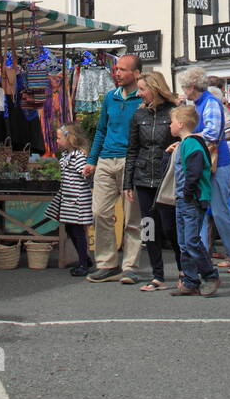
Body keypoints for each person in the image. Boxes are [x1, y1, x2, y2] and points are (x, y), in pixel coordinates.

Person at [179, 66, 230, 271]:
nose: (183, 91)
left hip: (218, 164)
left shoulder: (209, 103)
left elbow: (211, 133)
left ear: (192, 86)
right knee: (207, 210)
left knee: (219, 210)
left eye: (184, 87)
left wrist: (189, 139)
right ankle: (206, 255)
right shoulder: (200, 103)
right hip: (209, 163)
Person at [84, 54, 144, 283]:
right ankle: (107, 263)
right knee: (100, 212)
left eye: (122, 70)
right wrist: (92, 159)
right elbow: (101, 130)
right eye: (116, 69)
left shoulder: (143, 98)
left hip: (132, 161)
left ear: (136, 73)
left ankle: (129, 266)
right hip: (107, 160)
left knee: (132, 218)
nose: (117, 73)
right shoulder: (110, 97)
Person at [124, 71, 179, 291]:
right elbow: (132, 150)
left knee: (170, 227)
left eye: (142, 89)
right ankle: (158, 276)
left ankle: (185, 272)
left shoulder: (173, 112)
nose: (139, 93)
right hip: (144, 176)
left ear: (154, 89)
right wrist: (127, 183)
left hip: (167, 177)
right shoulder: (139, 116)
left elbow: (184, 137)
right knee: (149, 227)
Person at [167, 104, 220, 297]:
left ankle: (209, 274)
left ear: (180, 124)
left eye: (172, 122)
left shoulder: (192, 144)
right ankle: (190, 280)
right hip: (183, 198)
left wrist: (188, 193)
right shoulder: (187, 144)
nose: (169, 126)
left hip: (191, 198)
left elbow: (194, 171)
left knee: (191, 241)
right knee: (184, 242)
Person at [45, 122, 94, 276]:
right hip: (69, 198)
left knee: (77, 230)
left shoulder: (78, 155)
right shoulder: (67, 155)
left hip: (77, 200)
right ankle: (84, 259)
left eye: (59, 138)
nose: (57, 141)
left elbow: (85, 173)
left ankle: (84, 264)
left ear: (69, 138)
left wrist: (88, 173)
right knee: (71, 228)